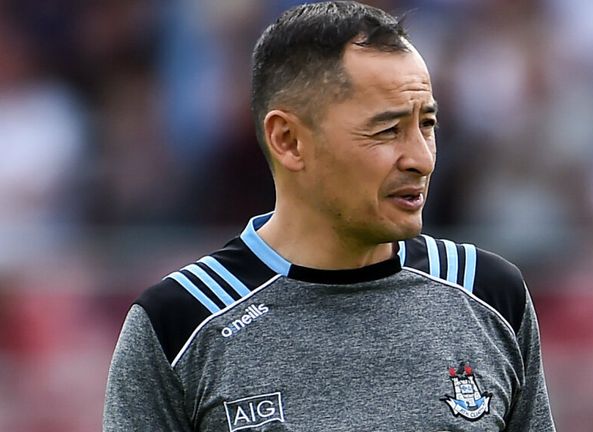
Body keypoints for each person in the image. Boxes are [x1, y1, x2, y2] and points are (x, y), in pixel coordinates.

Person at [103, 2, 556, 431]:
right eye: (387, 130)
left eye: (428, 124)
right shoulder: (179, 324)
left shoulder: (490, 293)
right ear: (288, 140)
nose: (421, 159)